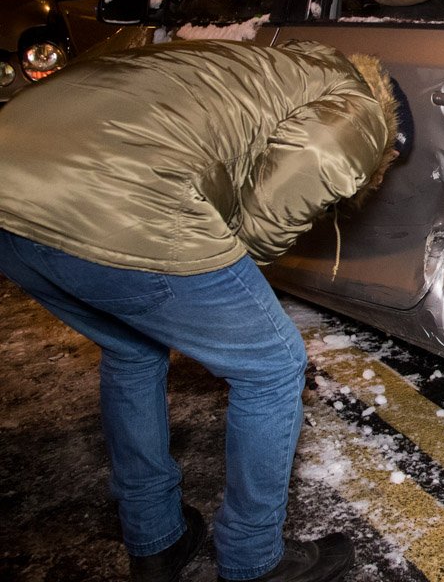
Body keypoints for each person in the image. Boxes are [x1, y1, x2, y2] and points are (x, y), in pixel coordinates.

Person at [0, 39, 401, 582]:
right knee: (273, 365)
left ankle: (155, 537)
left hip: (12, 193)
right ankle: (254, 558)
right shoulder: (360, 111)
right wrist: (235, 276)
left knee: (131, 349)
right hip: (116, 198)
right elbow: (280, 199)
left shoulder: (265, 67)